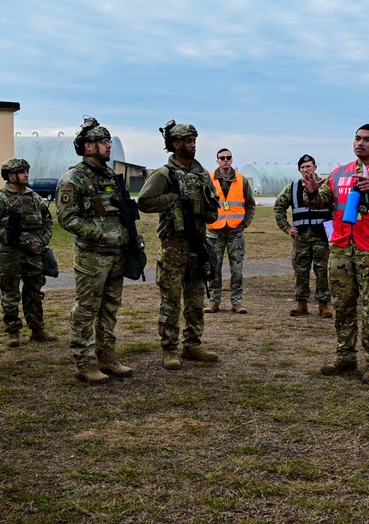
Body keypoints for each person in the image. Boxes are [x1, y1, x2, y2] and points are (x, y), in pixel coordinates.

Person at [303, 124, 369, 384]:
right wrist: (311, 192)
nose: (360, 143)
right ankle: (345, 355)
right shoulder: (340, 172)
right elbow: (322, 201)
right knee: (343, 304)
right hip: (341, 246)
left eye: (366, 139)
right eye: (357, 138)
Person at [55, 117, 134, 384]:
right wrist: (100, 235)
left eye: (108, 141)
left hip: (117, 254)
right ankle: (85, 363)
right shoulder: (73, 178)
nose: (108, 146)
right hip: (92, 256)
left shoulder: (110, 176)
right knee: (87, 309)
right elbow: (67, 218)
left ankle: (107, 357)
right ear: (88, 146)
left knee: (110, 308)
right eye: (103, 141)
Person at [138, 120, 220, 370]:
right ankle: (170, 349)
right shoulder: (164, 173)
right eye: (187, 141)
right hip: (173, 246)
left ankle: (193, 345)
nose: (192, 145)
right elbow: (144, 201)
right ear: (175, 144)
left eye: (194, 141)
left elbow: (212, 204)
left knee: (196, 299)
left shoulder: (201, 172)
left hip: (197, 244)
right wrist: (174, 199)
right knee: (171, 300)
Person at [0, 157, 57, 347]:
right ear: (10, 176)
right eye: (22, 171)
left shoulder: (34, 197)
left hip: (34, 253)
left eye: (27, 171)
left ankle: (37, 329)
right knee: (10, 293)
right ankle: (13, 332)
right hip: (10, 255)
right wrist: (14, 239)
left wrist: (42, 240)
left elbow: (47, 221)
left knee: (34, 292)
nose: (26, 174)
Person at [274, 154, 332, 318]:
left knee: (322, 271)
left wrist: (333, 233)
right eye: (303, 167)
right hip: (301, 238)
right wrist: (287, 228)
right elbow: (278, 208)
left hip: (322, 237)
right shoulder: (292, 188)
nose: (306, 169)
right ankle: (302, 304)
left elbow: (336, 209)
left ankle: (323, 305)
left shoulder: (326, 186)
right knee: (301, 271)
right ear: (299, 170)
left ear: (315, 167)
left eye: (309, 166)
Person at [204, 148, 255, 314]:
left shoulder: (242, 180)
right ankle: (214, 302)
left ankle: (237, 302)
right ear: (217, 160)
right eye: (222, 158)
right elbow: (201, 204)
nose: (225, 160)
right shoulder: (208, 180)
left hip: (235, 232)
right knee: (214, 268)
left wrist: (243, 225)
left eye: (228, 157)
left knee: (237, 269)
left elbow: (250, 204)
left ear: (232, 160)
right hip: (214, 232)